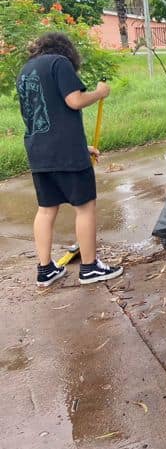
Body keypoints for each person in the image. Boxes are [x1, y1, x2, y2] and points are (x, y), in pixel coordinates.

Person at [16, 32, 123, 287]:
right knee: (84, 207)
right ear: (66, 50)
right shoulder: (59, 63)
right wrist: (100, 92)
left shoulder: (26, 70)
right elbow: (74, 101)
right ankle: (89, 267)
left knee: (46, 209)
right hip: (65, 153)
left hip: (39, 152)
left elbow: (47, 113)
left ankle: (45, 270)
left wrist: (81, 146)